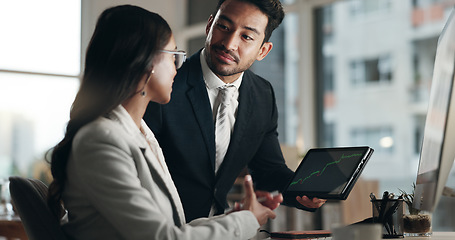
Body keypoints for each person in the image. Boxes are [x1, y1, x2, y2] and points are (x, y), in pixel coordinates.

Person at [47, 5, 277, 240]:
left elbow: (171, 225)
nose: (179, 68)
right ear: (145, 63)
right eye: (173, 55)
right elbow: (163, 238)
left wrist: (238, 217)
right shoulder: (101, 141)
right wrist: (246, 220)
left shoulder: (139, 134)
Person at [144, 0, 326, 223]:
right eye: (223, 27)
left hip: (221, 228)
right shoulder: (164, 84)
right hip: (160, 228)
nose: (229, 43)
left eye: (246, 36)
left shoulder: (262, 94)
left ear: (263, 50)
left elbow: (269, 170)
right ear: (209, 25)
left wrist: (303, 190)